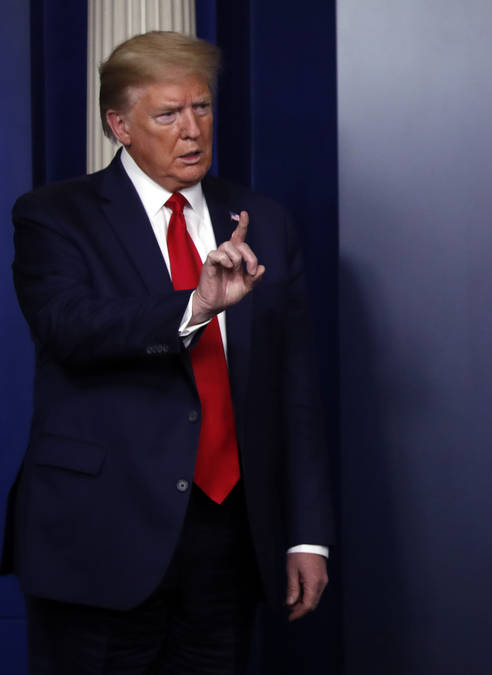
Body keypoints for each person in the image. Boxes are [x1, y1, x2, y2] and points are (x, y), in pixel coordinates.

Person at [0, 31, 334, 673]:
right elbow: (69, 327)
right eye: (168, 114)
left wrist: (307, 535)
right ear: (118, 125)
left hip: (231, 544)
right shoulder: (53, 215)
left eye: (202, 108)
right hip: (100, 540)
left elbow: (295, 390)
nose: (193, 130)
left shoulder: (262, 219)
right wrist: (195, 307)